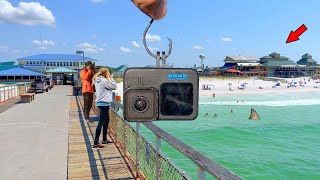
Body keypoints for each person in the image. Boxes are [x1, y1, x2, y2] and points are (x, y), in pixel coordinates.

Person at [92, 68, 117, 149]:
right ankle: (96, 143)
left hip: (101, 102)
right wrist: (111, 78)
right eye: (108, 72)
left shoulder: (98, 80)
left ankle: (104, 139)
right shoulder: (104, 81)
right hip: (104, 103)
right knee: (101, 122)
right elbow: (114, 86)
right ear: (106, 73)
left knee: (107, 120)